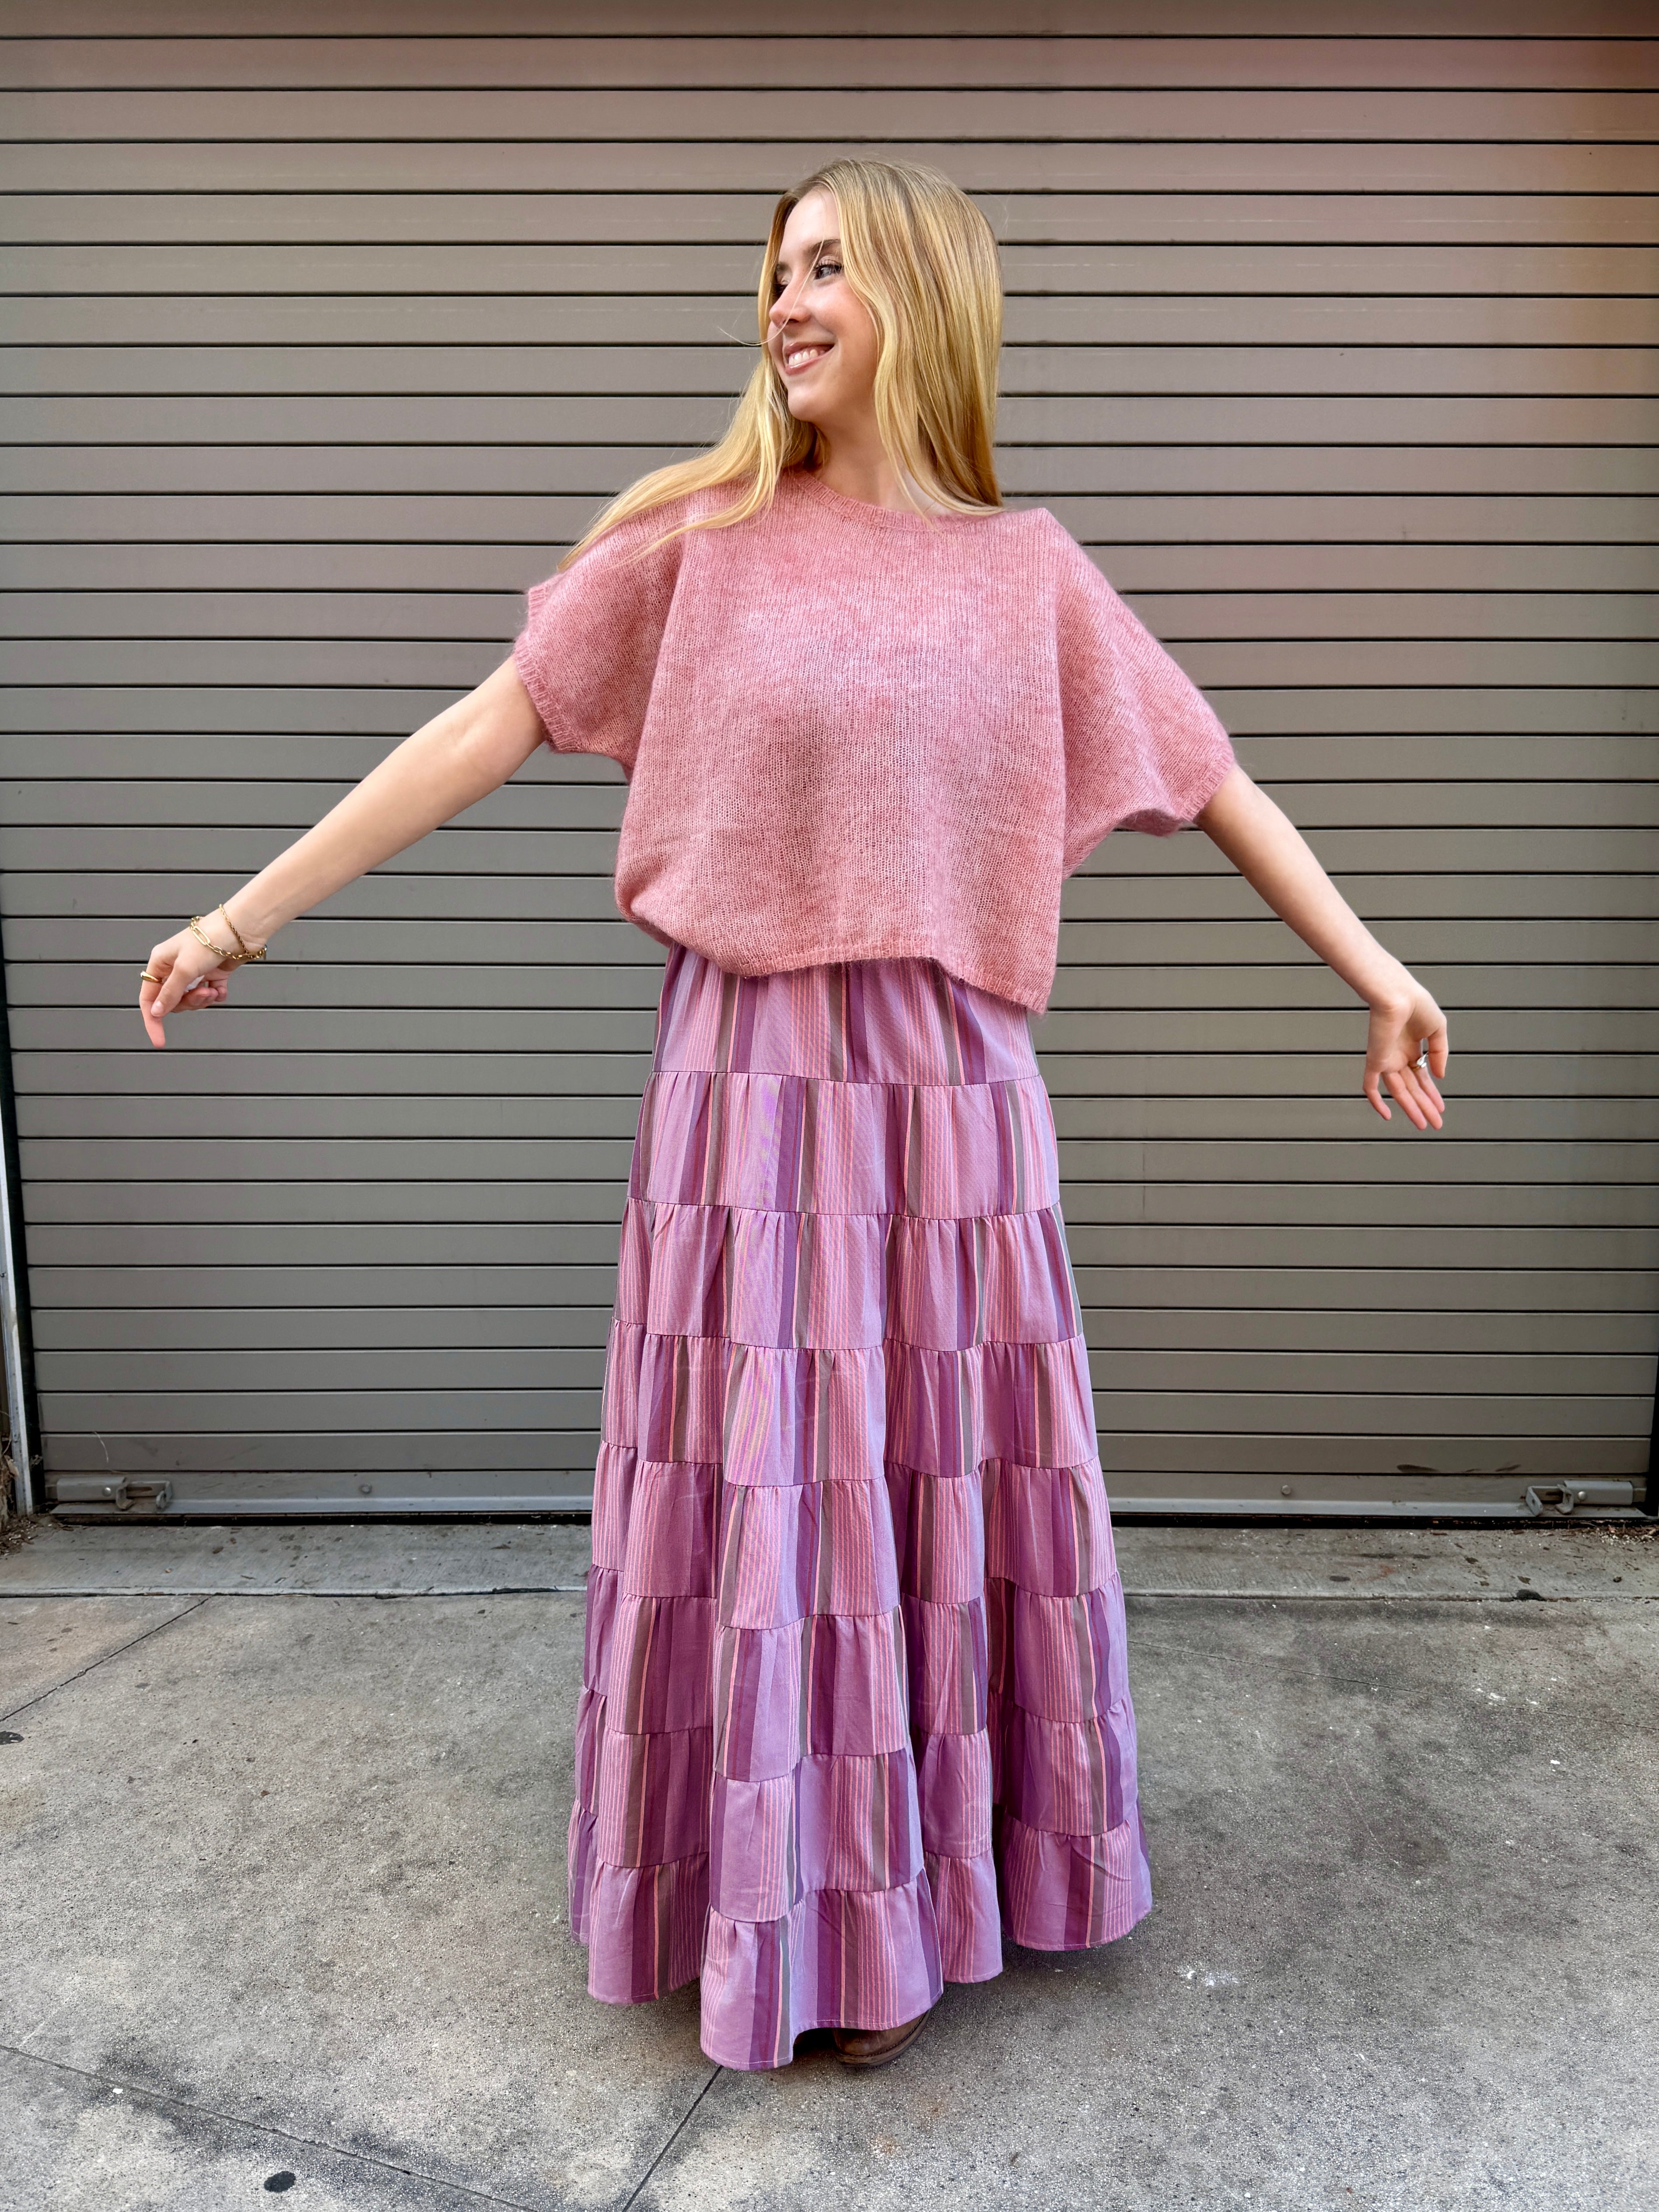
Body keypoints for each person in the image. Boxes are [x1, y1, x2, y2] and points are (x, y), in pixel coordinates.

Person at [138, 158, 1449, 2072]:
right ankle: (799, 1916)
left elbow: (1213, 773)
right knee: (786, 1509)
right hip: (748, 1107)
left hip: (955, 1118)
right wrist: (244, 911)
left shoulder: (1031, 572)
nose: (789, 301)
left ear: (923, 290)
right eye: (774, 271)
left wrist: (1375, 964)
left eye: (829, 265)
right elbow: (483, 728)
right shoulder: (702, 543)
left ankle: (924, 1891)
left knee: (933, 1499)